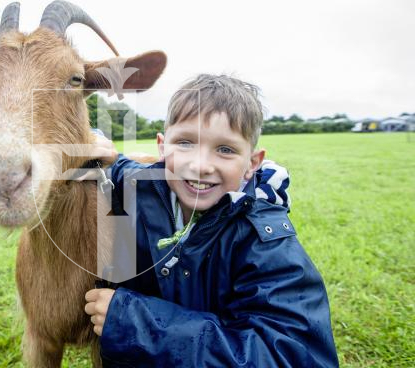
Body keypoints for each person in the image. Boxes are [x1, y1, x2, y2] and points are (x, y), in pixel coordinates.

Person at [83, 74, 338, 366]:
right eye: (185, 143)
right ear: (163, 147)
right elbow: (115, 162)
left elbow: (290, 357)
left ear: (252, 163)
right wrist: (94, 137)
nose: (200, 165)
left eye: (225, 150)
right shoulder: (141, 185)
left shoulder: (265, 242)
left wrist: (135, 322)